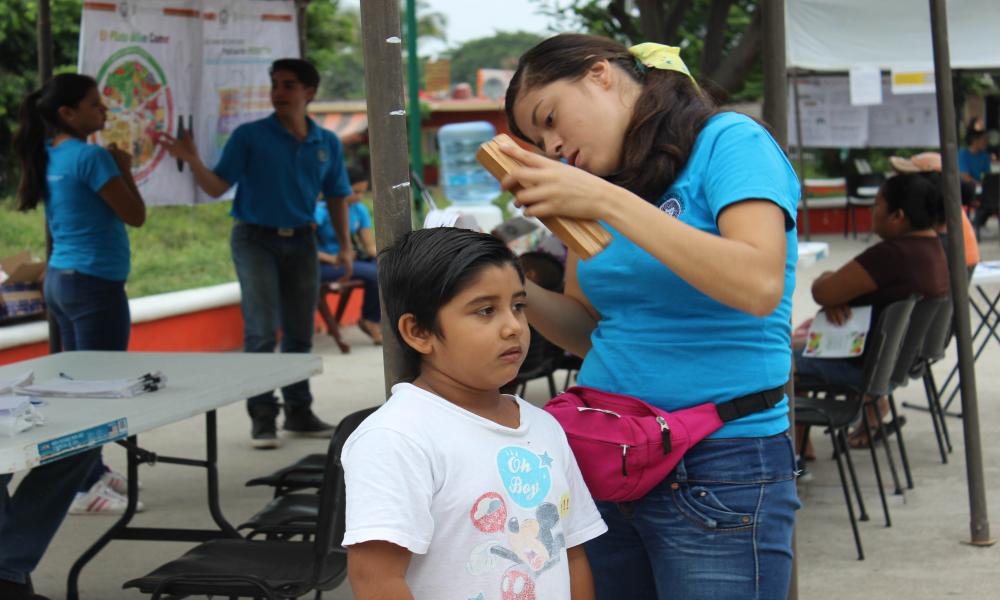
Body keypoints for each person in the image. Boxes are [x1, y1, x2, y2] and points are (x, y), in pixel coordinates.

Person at [500, 34, 800, 598]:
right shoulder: (599, 191)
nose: (553, 144)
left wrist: (607, 201)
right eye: (539, 140)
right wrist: (508, 284)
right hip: (608, 456)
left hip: (719, 462)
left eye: (550, 118)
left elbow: (758, 284)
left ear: (600, 75)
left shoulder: (729, 142)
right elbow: (589, 331)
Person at [343, 227, 607, 600]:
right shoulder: (397, 438)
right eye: (485, 311)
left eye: (518, 306)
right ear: (419, 332)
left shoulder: (545, 426)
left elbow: (572, 554)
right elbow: (377, 580)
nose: (513, 326)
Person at [2, 73, 147, 599]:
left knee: (66, 394)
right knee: (99, 401)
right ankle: (86, 481)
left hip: (62, 280)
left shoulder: (51, 153)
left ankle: (87, 478)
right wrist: (126, 170)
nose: (103, 110)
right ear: (67, 113)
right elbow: (135, 215)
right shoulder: (92, 158)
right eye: (93, 103)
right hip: (94, 284)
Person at [160, 58, 353, 449]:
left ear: (309, 93)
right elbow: (216, 187)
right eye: (275, 84)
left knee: (300, 333)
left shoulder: (326, 142)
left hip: (302, 241)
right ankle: (263, 417)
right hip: (255, 240)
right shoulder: (250, 136)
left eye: (289, 85)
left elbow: (337, 196)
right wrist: (193, 157)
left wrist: (347, 246)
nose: (279, 92)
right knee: (262, 331)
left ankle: (299, 411)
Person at [795, 173, 949, 449]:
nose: (871, 211)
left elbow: (822, 291)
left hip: (856, 365)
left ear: (898, 216)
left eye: (877, 205)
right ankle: (803, 448)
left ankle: (794, 456)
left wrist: (831, 288)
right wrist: (838, 295)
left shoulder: (891, 255)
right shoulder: (936, 250)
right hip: (892, 365)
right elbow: (834, 293)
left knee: (778, 360)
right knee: (795, 342)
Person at [315, 164, 381, 344]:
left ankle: (376, 318)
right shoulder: (322, 210)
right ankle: (371, 320)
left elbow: (369, 246)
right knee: (375, 274)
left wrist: (388, 259)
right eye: (355, 191)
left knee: (387, 270)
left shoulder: (359, 210)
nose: (359, 197)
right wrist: (330, 258)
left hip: (349, 262)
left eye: (362, 192)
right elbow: (303, 246)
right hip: (324, 265)